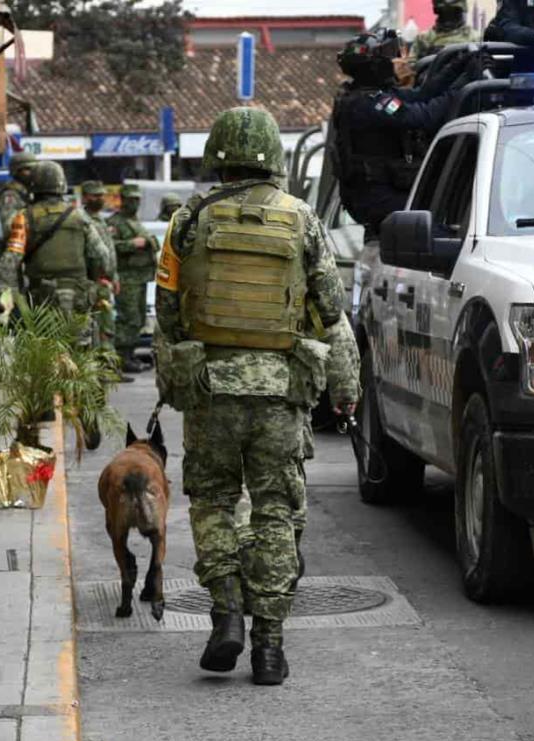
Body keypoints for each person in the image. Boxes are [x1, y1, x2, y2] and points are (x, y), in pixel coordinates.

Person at [155, 107, 360, 686]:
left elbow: (167, 316)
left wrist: (172, 385)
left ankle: (225, 614)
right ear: (273, 154)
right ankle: (270, 646)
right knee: (275, 512)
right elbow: (332, 314)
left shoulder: (186, 222)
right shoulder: (302, 220)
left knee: (214, 501)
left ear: (216, 151)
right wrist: (346, 390)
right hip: (280, 394)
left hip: (211, 391)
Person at [330, 29, 480, 236]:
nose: (395, 61)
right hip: (378, 199)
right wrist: (462, 89)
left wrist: (458, 67)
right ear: (374, 65)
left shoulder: (365, 95)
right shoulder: (369, 103)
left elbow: (421, 94)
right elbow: (423, 116)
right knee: (443, 237)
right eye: (388, 57)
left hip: (381, 194)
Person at [0, 161, 113, 321]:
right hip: (78, 298)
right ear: (62, 185)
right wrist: (94, 280)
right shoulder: (79, 216)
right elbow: (103, 257)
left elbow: (10, 259)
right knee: (80, 343)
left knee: (44, 344)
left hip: (42, 299)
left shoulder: (24, 218)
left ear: (34, 185)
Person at [80, 179, 131, 382]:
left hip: (106, 282)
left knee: (107, 327)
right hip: (94, 282)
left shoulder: (101, 220)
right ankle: (102, 370)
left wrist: (114, 276)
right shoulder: (83, 220)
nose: (100, 199)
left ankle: (108, 368)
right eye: (95, 195)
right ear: (85, 197)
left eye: (102, 195)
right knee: (98, 328)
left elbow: (109, 251)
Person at [108, 183, 159, 373]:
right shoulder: (115, 223)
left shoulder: (136, 222)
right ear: (122, 200)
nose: (134, 203)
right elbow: (109, 247)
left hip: (140, 277)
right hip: (126, 277)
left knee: (137, 319)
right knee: (128, 318)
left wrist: (149, 242)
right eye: (131, 199)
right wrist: (131, 244)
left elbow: (150, 241)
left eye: (137, 199)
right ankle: (121, 357)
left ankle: (129, 354)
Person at [0, 152, 37, 257]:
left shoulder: (28, 192)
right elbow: (10, 228)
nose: (32, 173)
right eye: (27, 169)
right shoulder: (11, 195)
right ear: (16, 171)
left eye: (34, 169)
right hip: (18, 252)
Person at [414, 0, 479, 58]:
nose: (449, 18)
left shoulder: (475, 38)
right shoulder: (424, 39)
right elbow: (411, 66)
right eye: (444, 13)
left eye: (454, 12)